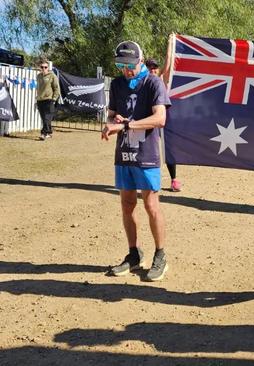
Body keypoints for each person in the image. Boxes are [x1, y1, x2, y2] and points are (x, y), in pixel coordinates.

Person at [102, 41, 172, 282]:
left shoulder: (153, 82)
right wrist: (112, 122)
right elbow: (111, 115)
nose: (125, 70)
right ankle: (134, 254)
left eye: (129, 65)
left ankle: (160, 256)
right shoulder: (118, 84)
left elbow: (160, 118)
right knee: (127, 204)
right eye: (121, 65)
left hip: (147, 154)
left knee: (151, 205)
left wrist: (128, 124)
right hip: (123, 153)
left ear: (140, 61)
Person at [145, 58, 181, 192]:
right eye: (149, 68)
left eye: (154, 67)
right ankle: (148, 180)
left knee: (169, 150)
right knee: (149, 150)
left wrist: (171, 44)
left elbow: (167, 66)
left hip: (164, 120)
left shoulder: (161, 80)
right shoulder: (143, 82)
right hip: (149, 120)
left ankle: (174, 180)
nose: (152, 70)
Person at [35, 58, 60, 140]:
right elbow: (38, 88)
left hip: (49, 100)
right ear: (40, 67)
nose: (43, 69)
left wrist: (54, 99)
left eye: (45, 67)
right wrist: (37, 98)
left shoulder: (52, 76)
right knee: (44, 118)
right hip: (40, 100)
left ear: (48, 68)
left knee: (47, 117)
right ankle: (49, 132)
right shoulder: (38, 76)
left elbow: (56, 88)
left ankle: (43, 133)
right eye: (42, 67)